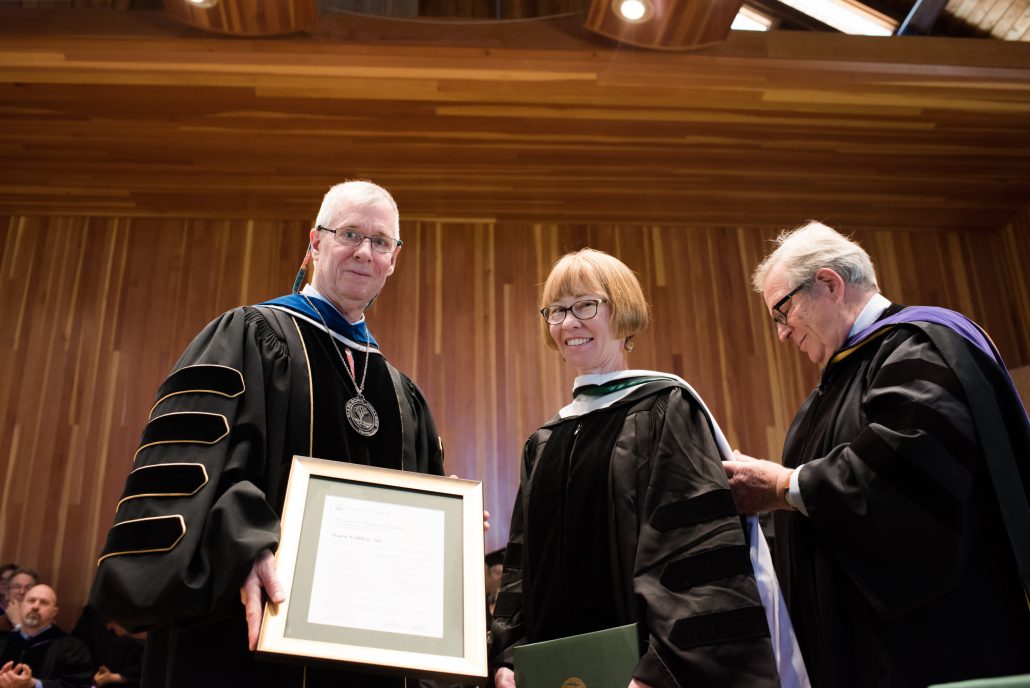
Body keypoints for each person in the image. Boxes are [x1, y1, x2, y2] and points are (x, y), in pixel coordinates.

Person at [89, 181, 446, 688]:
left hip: (366, 652)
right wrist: (244, 544)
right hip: (245, 631)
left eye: (381, 241)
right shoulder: (248, 336)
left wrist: (437, 528)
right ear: (315, 242)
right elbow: (194, 465)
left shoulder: (401, 393)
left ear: (393, 260)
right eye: (349, 233)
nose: (365, 251)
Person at [724, 221, 1030, 687]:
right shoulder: (836, 384)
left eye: (781, 312)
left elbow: (906, 473)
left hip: (936, 651)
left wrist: (784, 485)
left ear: (828, 283)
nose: (782, 334)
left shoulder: (918, 345)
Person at [490, 248, 790, 688]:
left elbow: (694, 549)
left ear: (623, 313)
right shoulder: (544, 442)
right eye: (556, 310)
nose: (569, 322)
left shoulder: (665, 411)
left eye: (586, 305)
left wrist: (659, 671)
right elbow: (520, 566)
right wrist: (509, 660)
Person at [0, 584, 92, 688]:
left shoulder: (71, 648)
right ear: (21, 606)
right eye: (31, 600)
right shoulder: (3, 642)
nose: (35, 606)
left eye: (43, 603)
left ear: (54, 612)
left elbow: (79, 685)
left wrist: (34, 684)